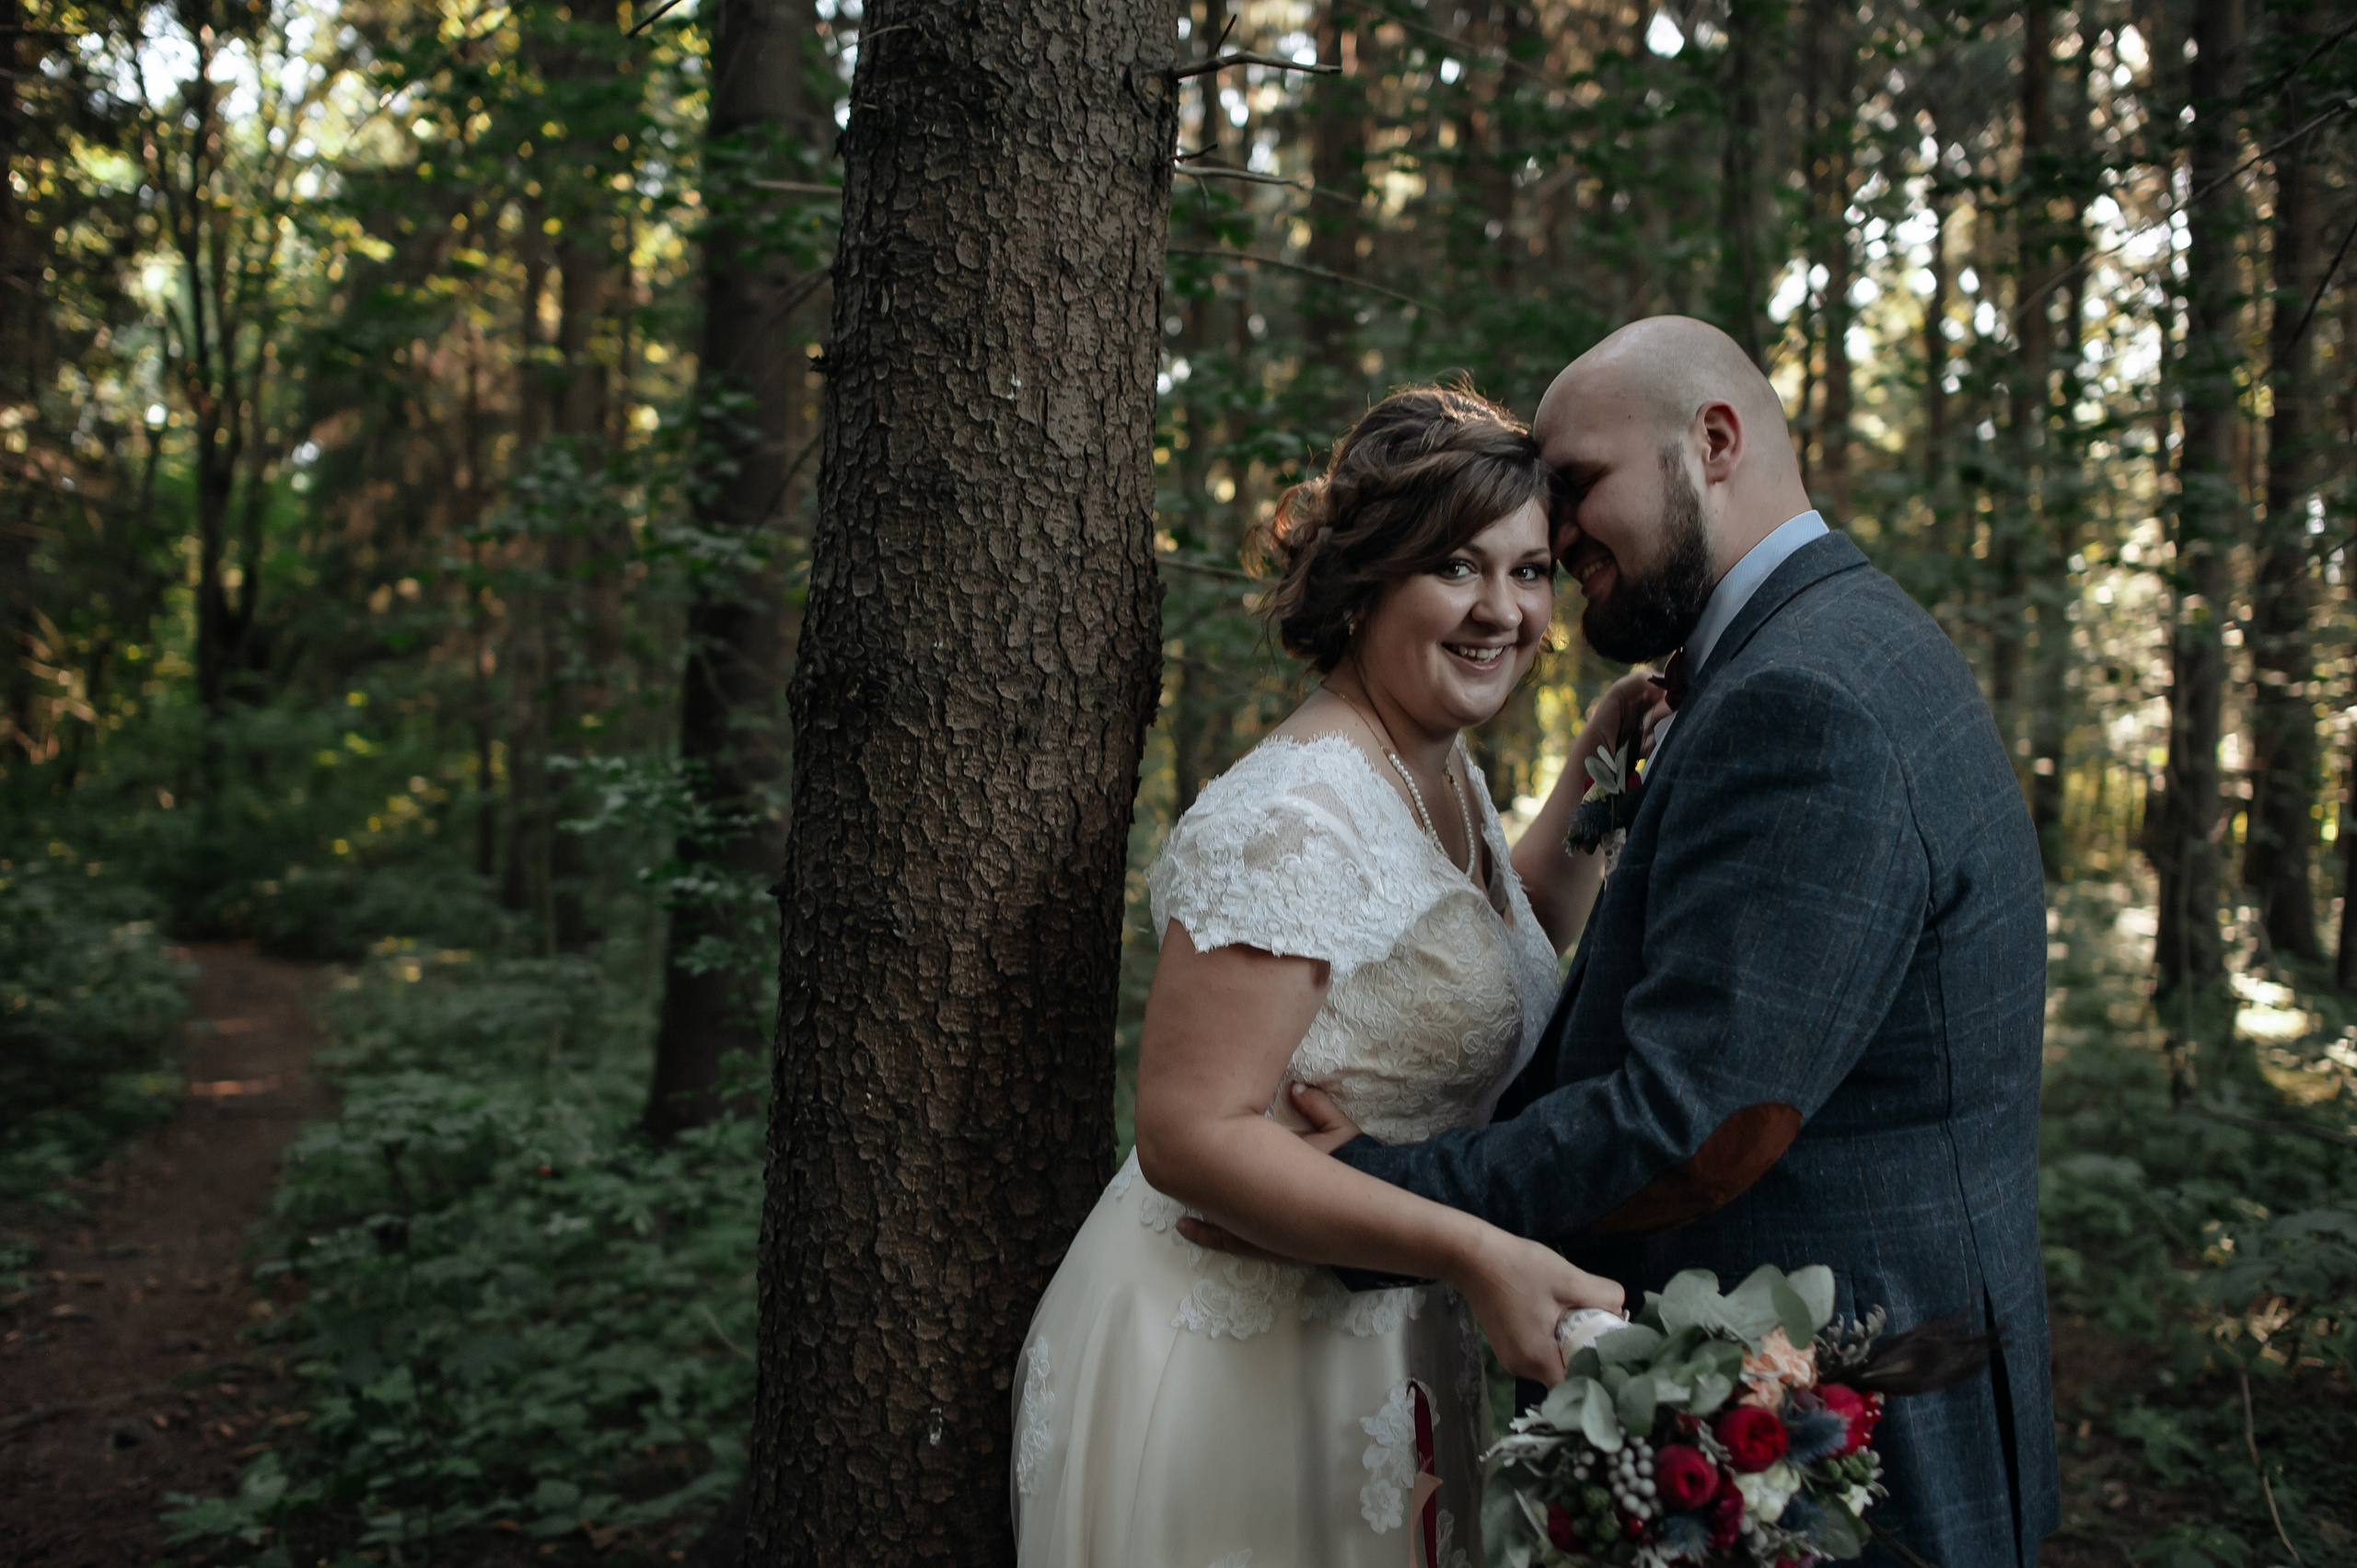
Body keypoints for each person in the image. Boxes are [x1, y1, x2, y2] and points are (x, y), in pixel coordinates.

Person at [1194, 318, 2060, 1567]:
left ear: (1713, 441)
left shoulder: (1802, 696)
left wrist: (1371, 1191)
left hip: (1834, 1419)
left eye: (1578, 484)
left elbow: (1701, 1121)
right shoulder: (1823, 642)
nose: (1555, 532)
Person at [1009, 386, 1637, 1567]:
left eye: (1533, 568)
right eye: (1457, 565)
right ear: (1366, 582)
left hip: (1369, 1325)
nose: (1503, 610)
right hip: (1224, 1355)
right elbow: (1189, 1135)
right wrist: (1469, 1242)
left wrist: (1599, 769)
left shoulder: (1430, 770)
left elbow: (1496, 949)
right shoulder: (1298, 815)